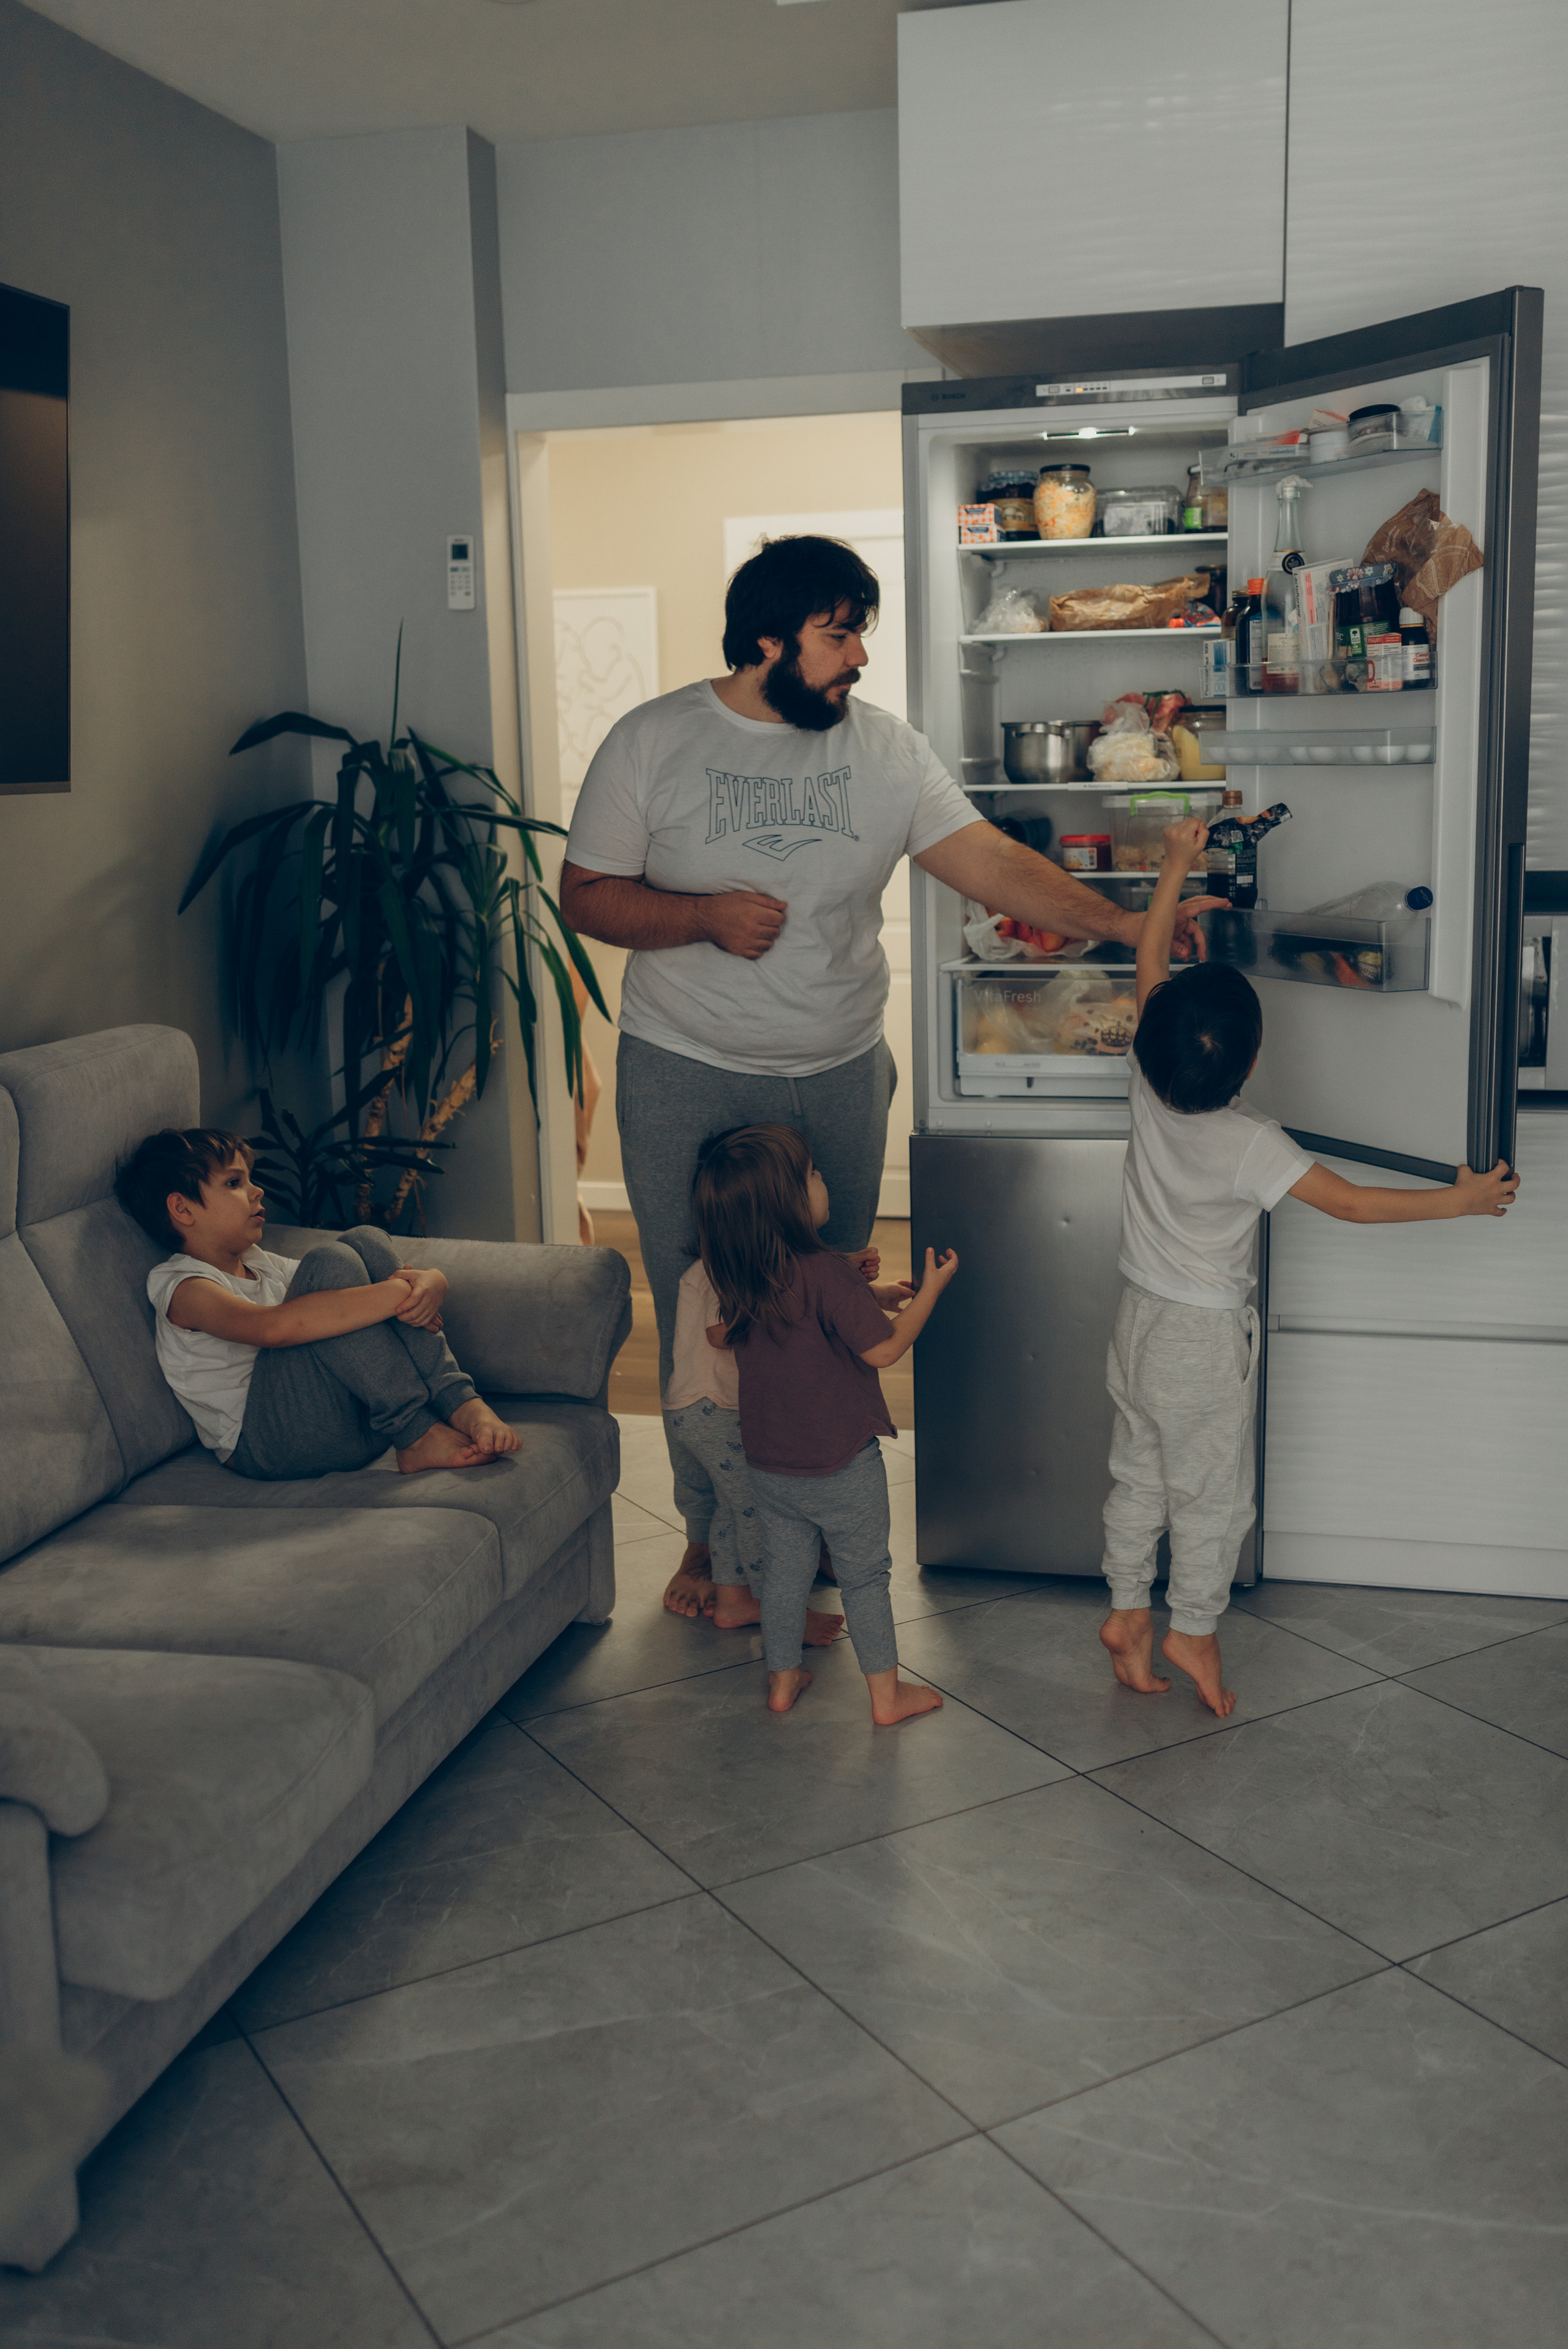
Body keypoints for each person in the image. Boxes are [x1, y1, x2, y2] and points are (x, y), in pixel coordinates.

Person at [560, 533, 1218, 1622]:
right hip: (687, 1064)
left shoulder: (886, 751)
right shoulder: (654, 740)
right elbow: (586, 894)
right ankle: (710, 1534)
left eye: (860, 631)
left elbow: (992, 863)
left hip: (837, 1069)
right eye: (838, 634)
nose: (859, 655)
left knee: (825, 1307)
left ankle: (806, 1523)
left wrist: (1127, 923)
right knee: (698, 1314)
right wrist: (704, 916)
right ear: (766, 640)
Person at [1099, 818, 1521, 1719]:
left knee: (1139, 1470)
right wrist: (1461, 1200)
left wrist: (1173, 867)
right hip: (1201, 1339)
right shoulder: (1251, 1142)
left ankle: (1128, 1609)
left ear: (1150, 1039)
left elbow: (1149, 964)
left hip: (1137, 1319)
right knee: (1210, 1496)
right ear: (1254, 1060)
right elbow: (1353, 1203)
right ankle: (1192, 1629)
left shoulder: (1146, 1081)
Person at [692, 1122, 958, 1725]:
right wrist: (930, 1292)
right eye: (812, 1173)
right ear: (786, 1201)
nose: (823, 1179)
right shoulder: (827, 1273)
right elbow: (883, 1350)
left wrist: (876, 1295)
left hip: (770, 1466)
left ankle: (782, 1680)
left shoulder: (744, 1277)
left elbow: (761, 1327)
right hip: (841, 1464)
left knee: (785, 1575)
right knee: (864, 1578)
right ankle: (887, 1697)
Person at [115, 1127, 521, 1479]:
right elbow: (272, 1329)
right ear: (182, 1208)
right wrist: (401, 1294)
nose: (257, 1190)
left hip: (349, 1421)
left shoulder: (260, 1264)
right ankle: (415, 1432)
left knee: (364, 1240)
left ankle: (459, 1402)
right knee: (331, 1263)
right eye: (234, 1183)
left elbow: (347, 1283)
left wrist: (432, 1282)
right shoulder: (183, 1286)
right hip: (271, 1444)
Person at [662, 1248, 846, 1646]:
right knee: (759, 1514)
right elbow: (720, 1333)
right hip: (715, 1411)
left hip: (704, 1410)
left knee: (734, 1508)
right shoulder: (726, 1268)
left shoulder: (731, 1263)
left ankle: (735, 1603)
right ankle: (782, 1614)